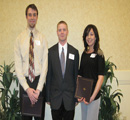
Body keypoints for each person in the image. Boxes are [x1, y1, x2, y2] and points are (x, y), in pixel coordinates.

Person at [14, 4, 48, 120]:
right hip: (25, 84)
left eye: (34, 15)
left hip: (39, 82)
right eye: (30, 15)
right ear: (26, 17)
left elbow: (45, 65)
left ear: (37, 17)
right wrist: (27, 88)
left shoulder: (42, 38)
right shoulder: (19, 39)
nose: (32, 17)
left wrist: (38, 89)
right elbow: (18, 67)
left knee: (40, 118)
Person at [46, 21, 79, 120]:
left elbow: (76, 76)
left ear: (67, 32)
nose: (62, 32)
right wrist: (48, 97)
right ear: (57, 32)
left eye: (64, 30)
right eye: (60, 30)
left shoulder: (74, 52)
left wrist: (77, 96)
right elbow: (49, 76)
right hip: (55, 98)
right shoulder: (50, 52)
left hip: (70, 98)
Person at [78, 24, 105, 120]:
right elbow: (80, 75)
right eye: (87, 35)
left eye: (91, 34)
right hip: (84, 96)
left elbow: (100, 78)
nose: (89, 37)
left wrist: (92, 97)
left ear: (96, 37)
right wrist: (80, 94)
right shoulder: (84, 54)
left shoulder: (99, 54)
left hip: (94, 97)